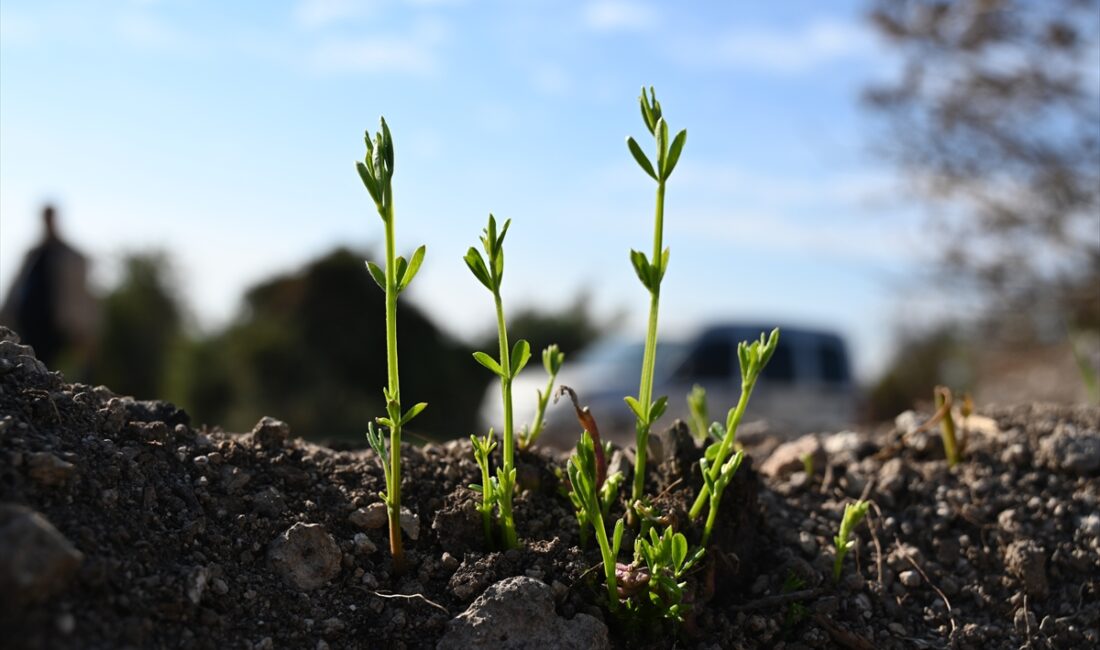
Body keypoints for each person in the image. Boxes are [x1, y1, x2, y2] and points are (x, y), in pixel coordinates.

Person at [0, 204, 99, 370]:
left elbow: (79, 293)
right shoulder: (33, 254)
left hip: (54, 323)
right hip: (27, 320)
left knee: (48, 365)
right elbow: (16, 286)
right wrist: (5, 314)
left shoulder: (69, 255)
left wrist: (83, 326)